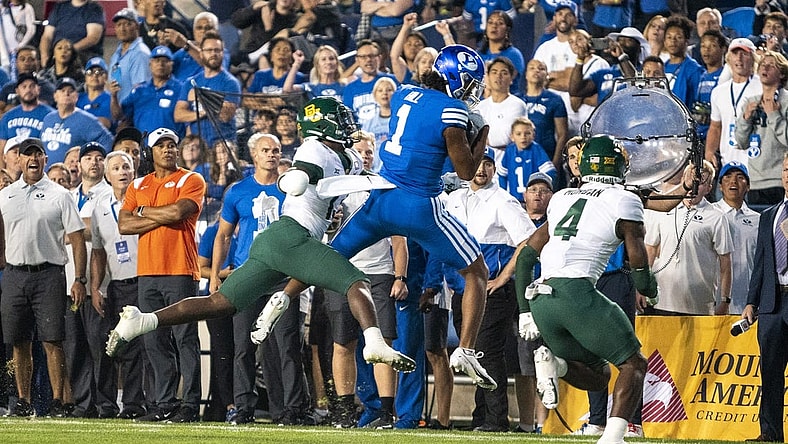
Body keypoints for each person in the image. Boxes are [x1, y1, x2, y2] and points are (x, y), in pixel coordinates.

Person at [105, 99, 416, 406]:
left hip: (276, 242)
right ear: (323, 126)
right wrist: (298, 178)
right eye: (340, 120)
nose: (348, 127)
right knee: (356, 281)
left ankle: (143, 320)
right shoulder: (313, 148)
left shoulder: (345, 158)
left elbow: (342, 181)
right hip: (292, 237)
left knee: (219, 303)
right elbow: (300, 173)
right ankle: (374, 342)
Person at [266, 45, 497, 390]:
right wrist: (482, 137)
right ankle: (465, 350)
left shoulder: (405, 93)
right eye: (471, 83)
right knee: (477, 272)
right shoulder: (452, 109)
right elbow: (466, 171)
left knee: (330, 255)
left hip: (382, 197)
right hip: (419, 206)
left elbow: (422, 144)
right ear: (456, 79)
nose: (473, 92)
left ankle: (282, 298)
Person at [513, 135, 653, 444]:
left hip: (542, 300)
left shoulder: (563, 196)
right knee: (634, 364)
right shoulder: (625, 199)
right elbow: (639, 266)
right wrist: (649, 288)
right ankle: (613, 438)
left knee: (599, 375)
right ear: (618, 165)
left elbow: (525, 258)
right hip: (577, 293)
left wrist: (525, 313)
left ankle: (557, 364)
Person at [115, 127, 206, 423]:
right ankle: (165, 403)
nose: (168, 149)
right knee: (154, 341)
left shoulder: (191, 178)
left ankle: (190, 404)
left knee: (185, 339)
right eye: (161, 145)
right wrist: (158, 213)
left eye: (172, 145)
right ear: (149, 152)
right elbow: (124, 226)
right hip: (148, 273)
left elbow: (179, 213)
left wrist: (143, 211)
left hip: (180, 269)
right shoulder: (139, 183)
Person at [445, 149, 536, 432]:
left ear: (495, 169)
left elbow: (529, 241)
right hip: (461, 291)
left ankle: (496, 421)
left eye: (488, 164)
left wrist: (504, 277)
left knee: (486, 353)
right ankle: (481, 418)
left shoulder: (503, 201)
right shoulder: (454, 199)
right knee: (472, 354)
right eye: (477, 163)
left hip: (492, 293)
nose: (482, 170)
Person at [0, 137, 87, 418]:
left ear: (45, 159)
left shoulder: (60, 195)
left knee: (53, 341)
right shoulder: (5, 195)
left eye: (38, 154)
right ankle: (24, 401)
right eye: (27, 155)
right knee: (18, 342)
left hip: (49, 274)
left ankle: (59, 400)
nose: (33, 159)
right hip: (14, 275)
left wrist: (80, 279)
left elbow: (77, 239)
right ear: (19, 160)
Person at [89, 151, 147, 419]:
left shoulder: (145, 198)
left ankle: (133, 405)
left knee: (136, 346)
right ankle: (106, 405)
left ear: (134, 170)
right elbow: (98, 251)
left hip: (144, 280)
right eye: (116, 168)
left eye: (127, 166)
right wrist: (95, 287)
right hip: (115, 285)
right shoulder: (99, 205)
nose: (122, 171)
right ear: (107, 174)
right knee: (108, 344)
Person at [644, 160, 733, 315]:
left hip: (699, 304)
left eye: (700, 183)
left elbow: (725, 263)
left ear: (709, 188)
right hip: (662, 301)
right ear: (683, 181)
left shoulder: (717, 217)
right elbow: (650, 250)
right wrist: (642, 289)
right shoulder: (662, 209)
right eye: (691, 180)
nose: (694, 187)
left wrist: (725, 300)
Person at [62, 141, 112, 418]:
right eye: (88, 158)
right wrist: (83, 229)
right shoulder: (66, 195)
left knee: (100, 345)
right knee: (75, 347)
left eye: (99, 158)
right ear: (78, 164)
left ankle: (105, 403)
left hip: (98, 283)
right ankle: (83, 404)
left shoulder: (110, 195)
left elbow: (103, 229)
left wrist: (72, 230)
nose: (94, 162)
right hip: (69, 281)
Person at [741, 152, 788, 443]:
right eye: (785, 168)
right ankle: (769, 433)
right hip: (772, 304)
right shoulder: (769, 216)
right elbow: (760, 263)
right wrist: (751, 301)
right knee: (769, 373)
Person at [734, 50, 788, 207]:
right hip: (755, 182)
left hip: (780, 181)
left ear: (782, 74)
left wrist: (774, 116)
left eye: (771, 66)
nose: (765, 68)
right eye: (763, 65)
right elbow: (741, 142)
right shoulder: (750, 103)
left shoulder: (786, 102)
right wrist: (745, 119)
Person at [174, 32, 241, 146]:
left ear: (223, 53)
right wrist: (203, 113)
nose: (213, 54)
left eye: (217, 50)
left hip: (223, 146)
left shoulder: (230, 82)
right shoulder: (190, 82)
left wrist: (201, 96)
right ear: (201, 53)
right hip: (198, 147)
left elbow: (225, 116)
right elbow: (178, 115)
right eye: (209, 50)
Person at [705, 38, 762, 171]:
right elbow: (715, 126)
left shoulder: (762, 87)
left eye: (744, 54)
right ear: (728, 59)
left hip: (757, 162)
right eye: (735, 54)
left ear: (753, 59)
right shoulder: (719, 92)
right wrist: (709, 152)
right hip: (728, 163)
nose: (739, 58)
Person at [711, 161, 759, 314]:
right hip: (714, 300)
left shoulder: (759, 220)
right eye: (727, 177)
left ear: (748, 186)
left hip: (747, 302)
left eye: (740, 177)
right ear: (720, 185)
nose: (733, 181)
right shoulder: (709, 215)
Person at [112, 45, 184, 138]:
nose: (160, 64)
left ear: (171, 64)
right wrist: (114, 96)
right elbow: (119, 116)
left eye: (165, 61)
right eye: (157, 60)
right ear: (150, 64)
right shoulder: (139, 90)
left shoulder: (181, 89)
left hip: (171, 145)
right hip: (144, 146)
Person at [40, 77, 113, 166]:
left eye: (70, 91)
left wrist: (92, 161)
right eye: (62, 91)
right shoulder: (48, 118)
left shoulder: (87, 120)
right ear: (55, 96)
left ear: (76, 97)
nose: (66, 94)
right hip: (49, 174)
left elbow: (108, 142)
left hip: (72, 175)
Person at [521, 58, 568, 170]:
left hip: (547, 156)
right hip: (520, 157)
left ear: (547, 75)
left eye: (541, 68)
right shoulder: (516, 100)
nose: (536, 70)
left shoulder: (555, 100)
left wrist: (556, 163)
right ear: (526, 74)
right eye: (532, 68)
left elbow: (562, 134)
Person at [476, 57, 527, 157]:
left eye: (504, 73)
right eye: (494, 72)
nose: (498, 76)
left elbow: (506, 137)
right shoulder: (480, 106)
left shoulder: (517, 105)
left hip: (509, 163)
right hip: (482, 164)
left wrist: (481, 140)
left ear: (511, 78)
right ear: (488, 77)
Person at [498, 117, 557, 202]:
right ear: (512, 136)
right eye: (518, 134)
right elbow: (502, 174)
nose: (523, 137)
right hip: (514, 199)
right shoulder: (510, 150)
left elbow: (551, 173)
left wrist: (539, 189)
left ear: (533, 135)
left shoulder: (536, 150)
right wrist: (503, 196)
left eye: (527, 133)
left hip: (533, 201)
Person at [341, 40, 397, 126]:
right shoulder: (350, 89)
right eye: (363, 57)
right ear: (357, 60)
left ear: (379, 58)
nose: (368, 60)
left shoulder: (392, 81)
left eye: (371, 56)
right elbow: (348, 119)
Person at [0, 72, 54, 160]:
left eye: (32, 86)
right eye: (24, 86)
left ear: (38, 89)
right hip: (12, 167)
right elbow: (1, 152)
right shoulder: (7, 117)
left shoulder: (50, 115)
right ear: (17, 91)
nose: (28, 90)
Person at [39, 0, 104, 67]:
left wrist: (69, 51)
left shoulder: (94, 9)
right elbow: (47, 36)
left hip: (83, 56)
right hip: (58, 56)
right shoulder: (59, 8)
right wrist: (44, 55)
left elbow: (93, 37)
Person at [109, 8, 152, 104]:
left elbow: (141, 91)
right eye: (118, 25)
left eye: (127, 24)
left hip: (132, 114)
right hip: (118, 112)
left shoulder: (140, 53)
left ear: (137, 26)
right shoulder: (116, 54)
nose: (122, 29)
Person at [477, 11, 525, 96]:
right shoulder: (479, 54)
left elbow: (503, 83)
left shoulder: (514, 54)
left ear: (507, 30)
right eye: (490, 22)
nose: (494, 26)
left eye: (500, 23)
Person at [662, 15, 703, 108]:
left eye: (678, 37)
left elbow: (696, 101)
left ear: (687, 41)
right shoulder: (661, 67)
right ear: (664, 41)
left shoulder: (694, 70)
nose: (673, 41)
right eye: (669, 37)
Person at [77, 57, 112, 129]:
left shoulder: (111, 99)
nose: (95, 75)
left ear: (106, 77)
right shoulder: (78, 99)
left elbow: (105, 123)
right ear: (85, 77)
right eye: (90, 72)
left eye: (99, 72)